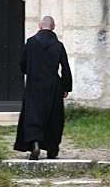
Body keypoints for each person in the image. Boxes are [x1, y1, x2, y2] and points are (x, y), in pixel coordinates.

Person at [14, 15, 72, 160]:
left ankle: (35, 144)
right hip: (53, 86)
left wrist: (32, 72)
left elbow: (22, 64)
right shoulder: (58, 45)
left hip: (34, 85)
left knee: (33, 115)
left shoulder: (31, 42)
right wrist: (66, 87)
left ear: (40, 26)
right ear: (53, 27)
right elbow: (65, 67)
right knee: (53, 117)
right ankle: (52, 150)